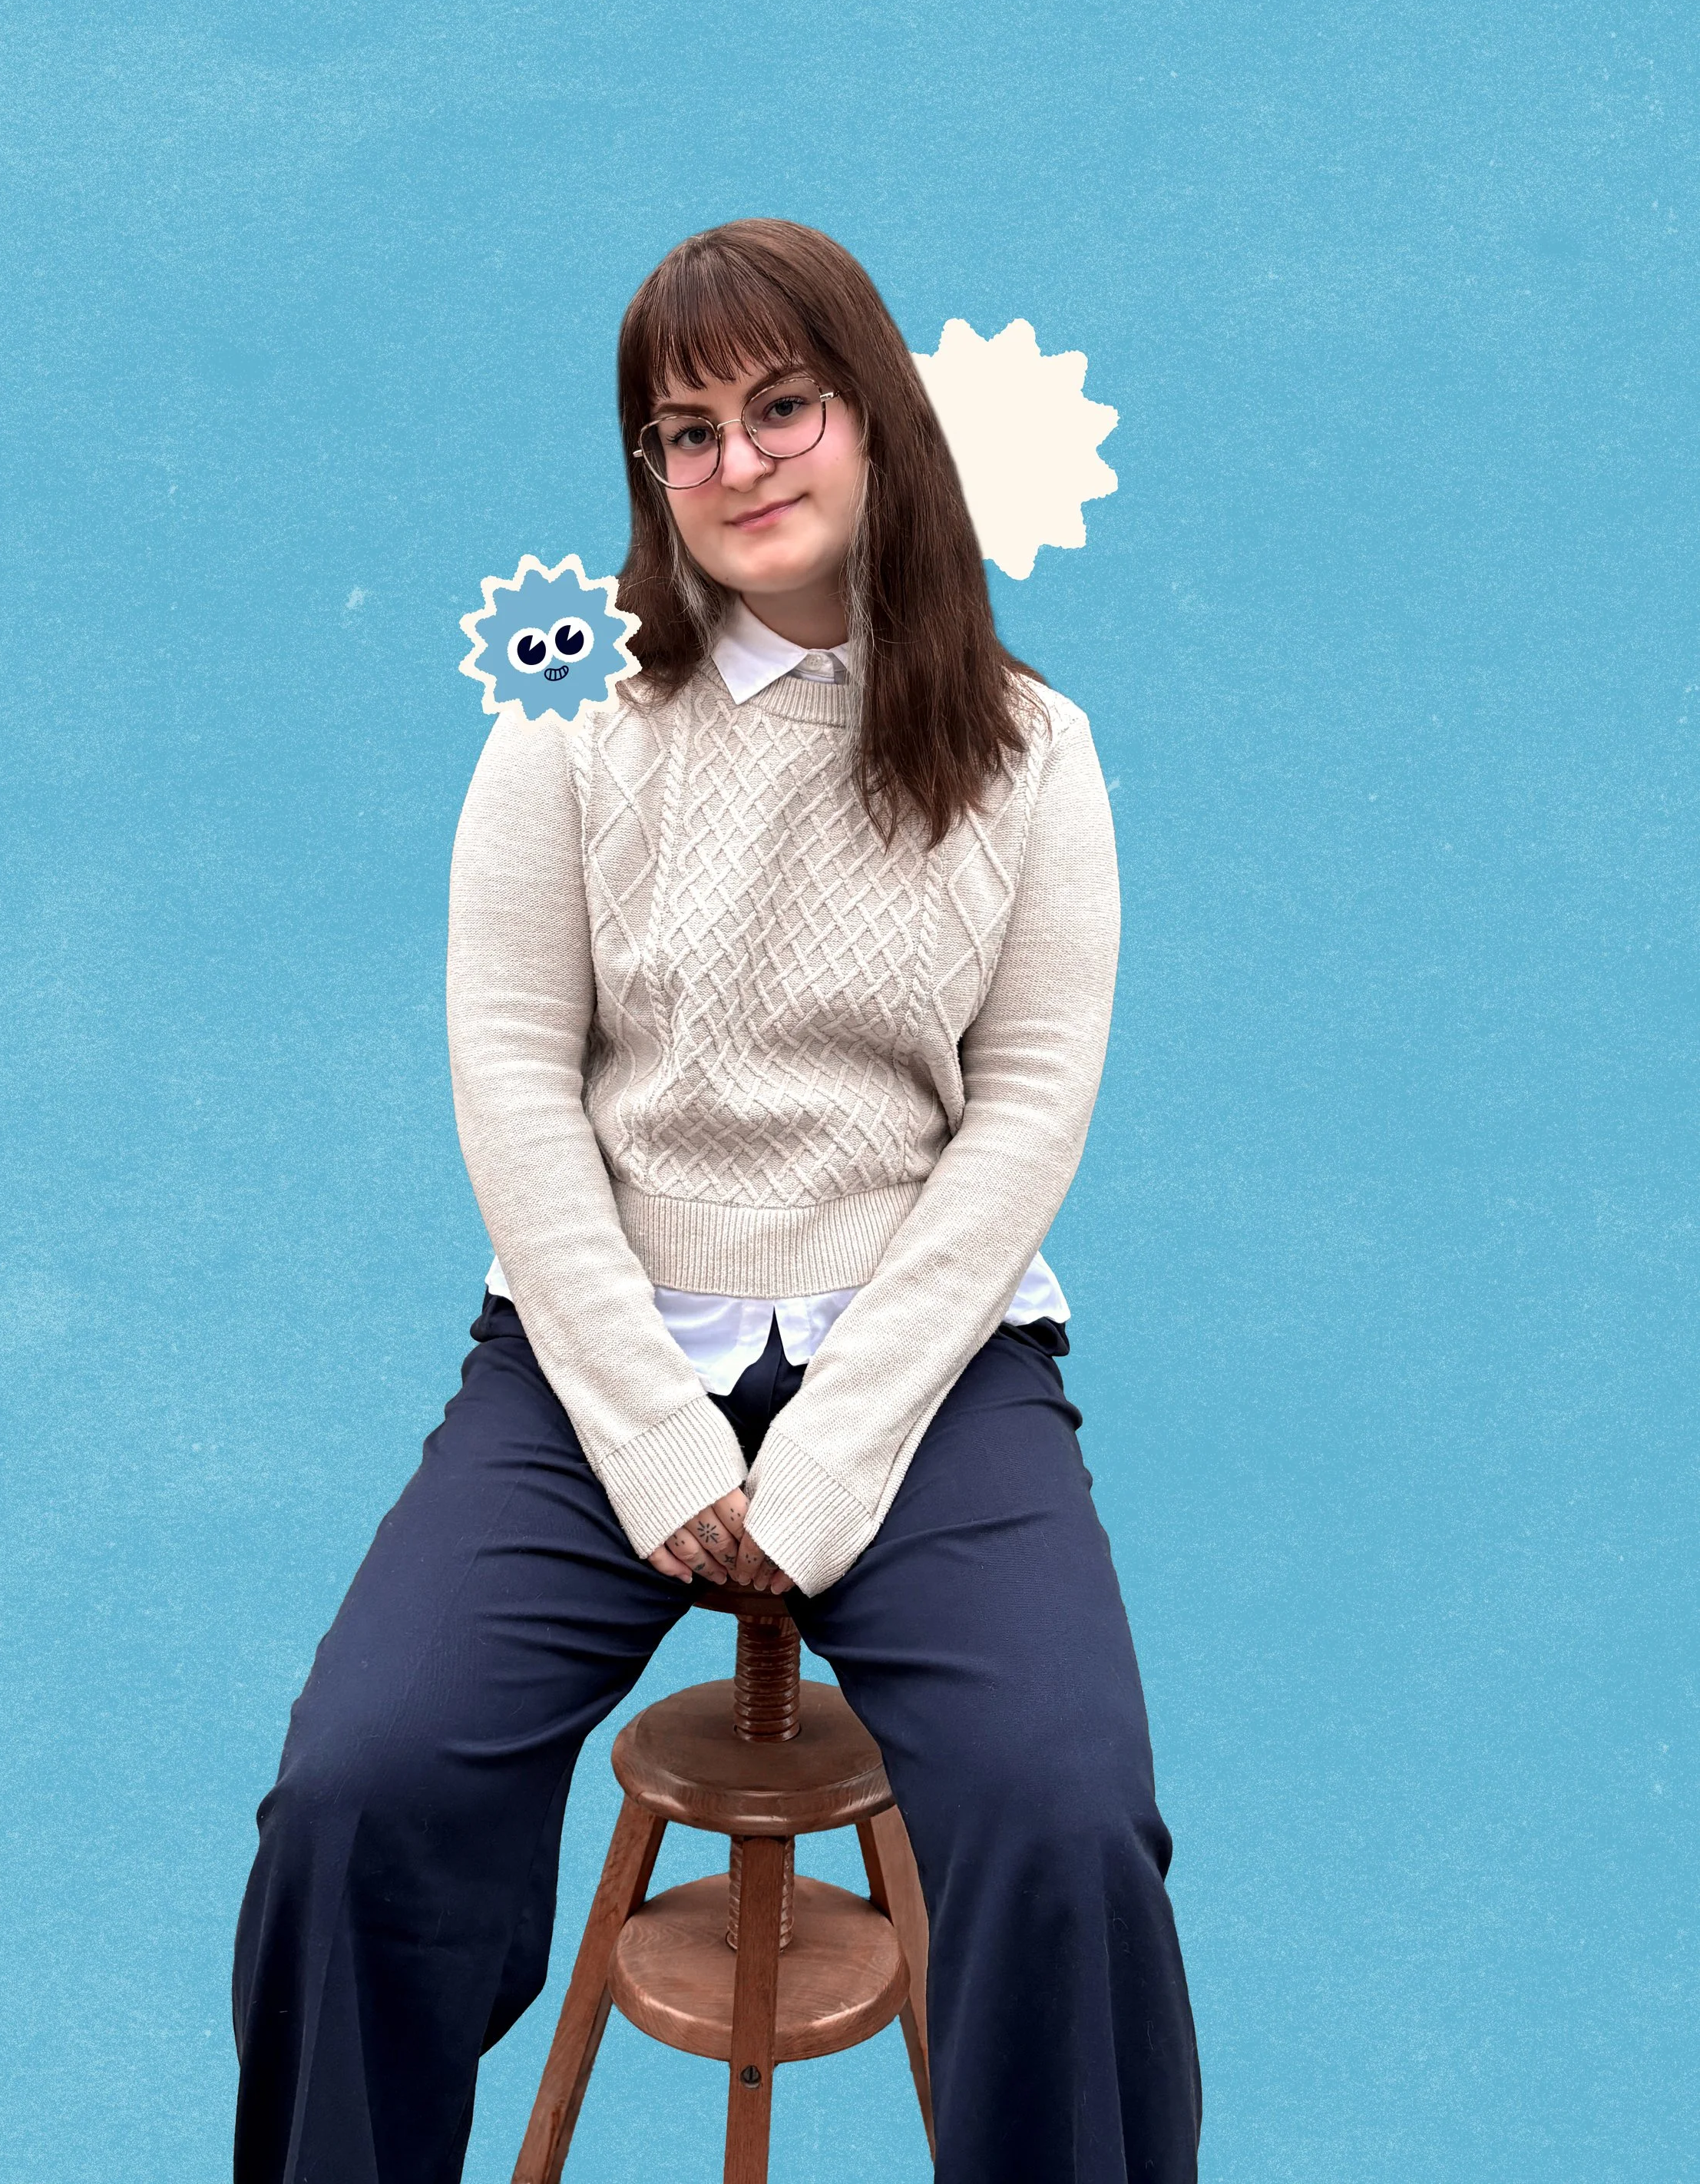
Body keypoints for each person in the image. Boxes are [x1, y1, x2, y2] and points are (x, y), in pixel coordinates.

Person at [231, 218, 1202, 2181]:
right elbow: (512, 1088)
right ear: (645, 472)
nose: (739, 463)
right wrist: (654, 1436)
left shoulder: (1031, 753)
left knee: (1065, 1804)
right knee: (360, 1785)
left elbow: (1021, 1116)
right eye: (684, 432)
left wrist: (833, 1463)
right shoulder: (565, 736)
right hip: (593, 1368)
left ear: (874, 425)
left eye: (782, 408)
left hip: (926, 1378)